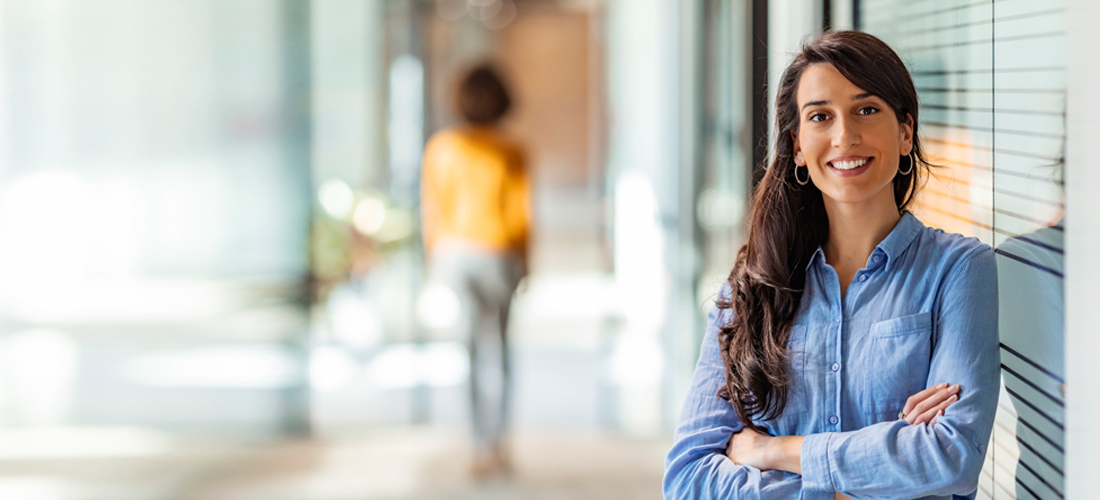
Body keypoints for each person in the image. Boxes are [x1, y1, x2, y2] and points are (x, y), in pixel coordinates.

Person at [664, 31, 999, 499]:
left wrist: (775, 451)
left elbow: (950, 457)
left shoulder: (959, 272)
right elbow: (688, 478)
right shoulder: (749, 292)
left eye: (866, 110)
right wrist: (865, 476)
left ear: (906, 132)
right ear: (798, 146)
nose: (845, 136)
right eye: (820, 116)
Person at [420, 63, 530, 477]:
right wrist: (527, 264)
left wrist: (434, 260)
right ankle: (498, 446)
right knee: (498, 350)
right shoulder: (512, 148)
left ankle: (476, 446)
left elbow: (434, 209)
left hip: (456, 253)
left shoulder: (442, 147)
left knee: (467, 350)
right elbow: (520, 214)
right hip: (499, 253)